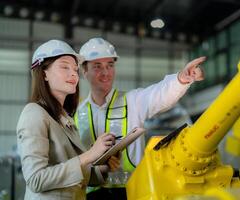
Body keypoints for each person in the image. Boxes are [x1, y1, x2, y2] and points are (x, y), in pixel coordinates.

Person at [75, 37, 206, 199]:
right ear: (84, 70)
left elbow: (160, 95)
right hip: (92, 195)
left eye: (110, 65)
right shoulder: (76, 114)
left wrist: (182, 79)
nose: (106, 72)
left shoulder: (132, 101)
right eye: (97, 66)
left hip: (133, 192)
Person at [16, 39, 116, 200]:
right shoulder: (34, 113)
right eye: (64, 67)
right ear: (43, 73)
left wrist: (103, 166)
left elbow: (75, 176)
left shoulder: (64, 117)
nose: (73, 74)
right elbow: (36, 180)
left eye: (75, 69)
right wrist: (90, 155)